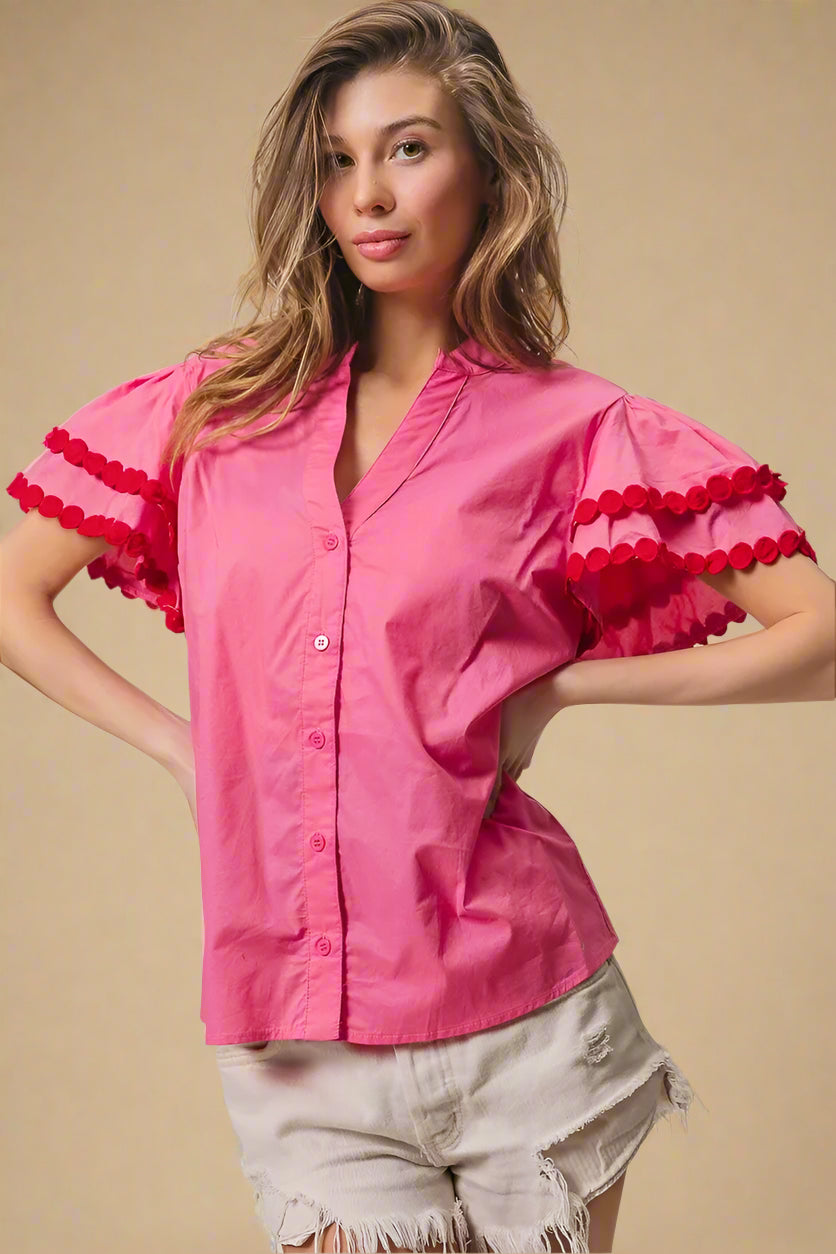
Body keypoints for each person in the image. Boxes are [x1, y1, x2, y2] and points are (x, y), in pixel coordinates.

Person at [2, 3, 833, 1252]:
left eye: (407, 148)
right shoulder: (211, 412)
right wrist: (189, 752)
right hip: (297, 1046)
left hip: (527, 1025)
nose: (367, 195)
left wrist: (558, 694)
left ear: (486, 169)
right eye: (337, 160)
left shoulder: (578, 428)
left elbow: (816, 634)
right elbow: (13, 592)